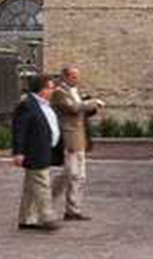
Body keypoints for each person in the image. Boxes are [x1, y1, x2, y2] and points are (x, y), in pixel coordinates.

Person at [50, 65, 105, 221]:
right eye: (73, 76)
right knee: (69, 174)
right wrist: (94, 102)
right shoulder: (59, 93)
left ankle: (73, 210)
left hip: (80, 137)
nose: (77, 79)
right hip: (69, 138)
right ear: (65, 77)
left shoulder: (75, 92)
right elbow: (74, 108)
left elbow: (82, 110)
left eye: (77, 76)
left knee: (80, 176)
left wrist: (91, 107)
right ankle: (46, 201)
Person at [11, 74, 65, 232]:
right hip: (35, 150)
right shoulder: (27, 104)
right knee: (42, 184)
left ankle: (26, 218)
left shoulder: (46, 104)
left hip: (47, 149)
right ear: (41, 89)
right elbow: (19, 130)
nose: (53, 90)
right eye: (50, 87)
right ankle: (46, 217)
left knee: (31, 186)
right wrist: (18, 152)